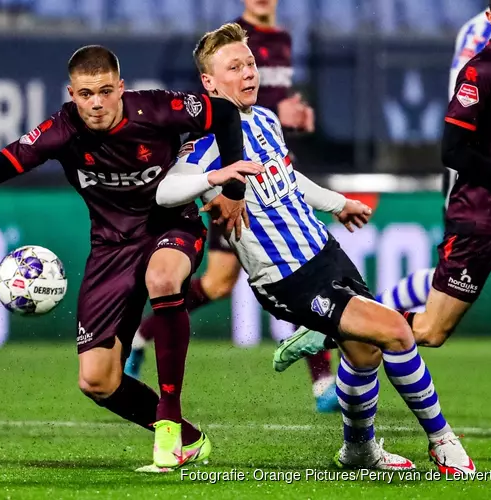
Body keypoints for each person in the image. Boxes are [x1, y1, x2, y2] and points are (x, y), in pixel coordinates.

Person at [0, 45, 262, 472]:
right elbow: (2, 164)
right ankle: (189, 438)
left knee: (163, 279)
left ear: (121, 89)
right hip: (111, 247)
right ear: (72, 93)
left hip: (171, 226)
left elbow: (222, 113)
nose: (97, 103)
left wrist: (234, 192)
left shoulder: (158, 108)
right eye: (86, 94)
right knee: (97, 381)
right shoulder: (60, 131)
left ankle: (168, 417)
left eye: (106, 91)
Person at [158, 22, 475, 474]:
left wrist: (338, 202)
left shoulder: (265, 119)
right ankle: (444, 443)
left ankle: (359, 451)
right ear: (209, 82)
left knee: (365, 353)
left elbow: (290, 178)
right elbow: (164, 192)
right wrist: (211, 181)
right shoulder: (206, 143)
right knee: (398, 332)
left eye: (250, 63)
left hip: (324, 253)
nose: (249, 73)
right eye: (234, 67)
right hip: (287, 276)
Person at [124, 0, 338, 414]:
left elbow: (269, 103)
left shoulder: (280, 41)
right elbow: (226, 109)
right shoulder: (230, 39)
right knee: (264, 272)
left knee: (240, 277)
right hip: (234, 174)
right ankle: (322, 379)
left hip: (266, 159)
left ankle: (141, 336)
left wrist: (291, 113)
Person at [275, 2, 491, 361]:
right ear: (490, 19)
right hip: (480, 222)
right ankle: (333, 328)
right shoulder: (481, 71)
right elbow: (454, 152)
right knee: (431, 331)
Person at [369, 8, 491, 312]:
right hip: (480, 174)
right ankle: (357, 322)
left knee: (453, 283)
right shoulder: (483, 32)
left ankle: (362, 320)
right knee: (450, 288)